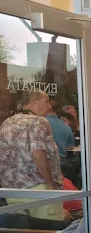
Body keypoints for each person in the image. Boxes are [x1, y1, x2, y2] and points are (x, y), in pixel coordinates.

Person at [0, 90, 64, 220]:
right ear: (34, 103)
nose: (49, 106)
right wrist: (51, 185)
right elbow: (38, 154)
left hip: (13, 191)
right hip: (39, 190)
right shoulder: (38, 121)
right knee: (49, 231)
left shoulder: (7, 123)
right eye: (46, 101)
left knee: (25, 231)